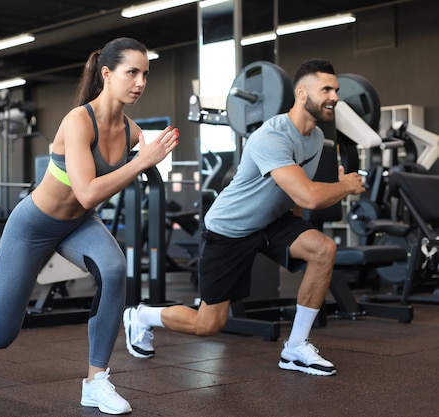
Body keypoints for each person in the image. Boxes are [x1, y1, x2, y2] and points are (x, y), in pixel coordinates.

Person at [0, 37, 179, 415]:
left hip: (80, 224)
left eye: (145, 74)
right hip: (32, 226)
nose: (140, 82)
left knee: (115, 269)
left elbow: (93, 201)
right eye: (131, 72)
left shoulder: (133, 132)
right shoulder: (77, 121)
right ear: (107, 73)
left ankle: (95, 381)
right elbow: (86, 192)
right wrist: (141, 161)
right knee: (2, 335)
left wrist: (144, 160)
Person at [123, 58, 366, 377]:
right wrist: (343, 186)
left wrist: (294, 228)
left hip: (271, 223)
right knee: (208, 324)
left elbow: (295, 198)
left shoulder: (317, 138)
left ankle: (295, 348)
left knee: (323, 249)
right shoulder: (272, 136)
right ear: (302, 93)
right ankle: (140, 317)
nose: (334, 96)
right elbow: (308, 195)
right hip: (230, 229)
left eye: (335, 89)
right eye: (326, 89)